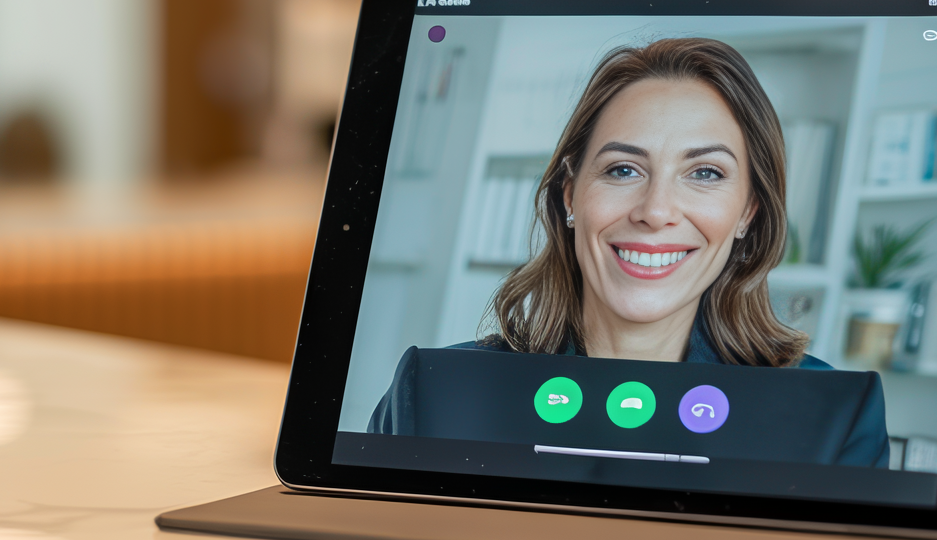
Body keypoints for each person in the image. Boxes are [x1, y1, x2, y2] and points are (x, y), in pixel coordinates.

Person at [367, 37, 887, 467]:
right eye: (623, 169)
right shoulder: (435, 395)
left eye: (705, 173)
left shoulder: (832, 419)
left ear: (748, 212)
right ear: (570, 194)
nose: (656, 211)